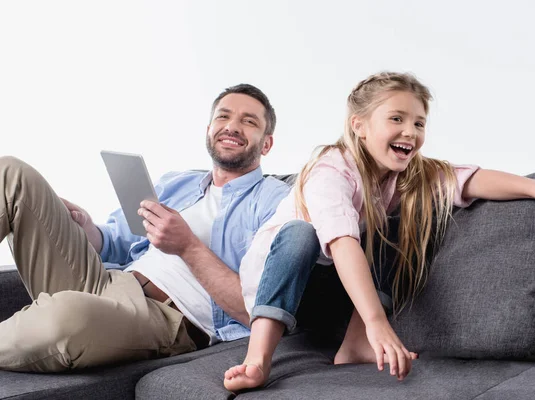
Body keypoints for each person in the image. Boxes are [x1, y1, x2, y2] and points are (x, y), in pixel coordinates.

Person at [223, 71, 535, 391]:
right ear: (359, 125)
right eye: (396, 119)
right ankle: (258, 358)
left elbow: (468, 179)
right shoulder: (331, 169)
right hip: (280, 288)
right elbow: (342, 243)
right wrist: (378, 324)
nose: (410, 132)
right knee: (301, 234)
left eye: (418, 123)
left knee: (398, 221)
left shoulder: (404, 179)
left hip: (328, 292)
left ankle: (354, 346)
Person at [0, 83, 321, 372]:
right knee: (11, 173)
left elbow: (255, 308)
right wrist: (87, 229)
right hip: (106, 279)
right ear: (210, 130)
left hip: (165, 317)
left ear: (266, 144)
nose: (232, 126)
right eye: (224, 117)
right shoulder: (176, 183)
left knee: (66, 315)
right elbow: (115, 243)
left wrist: (188, 246)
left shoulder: (275, 201)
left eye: (249, 121)